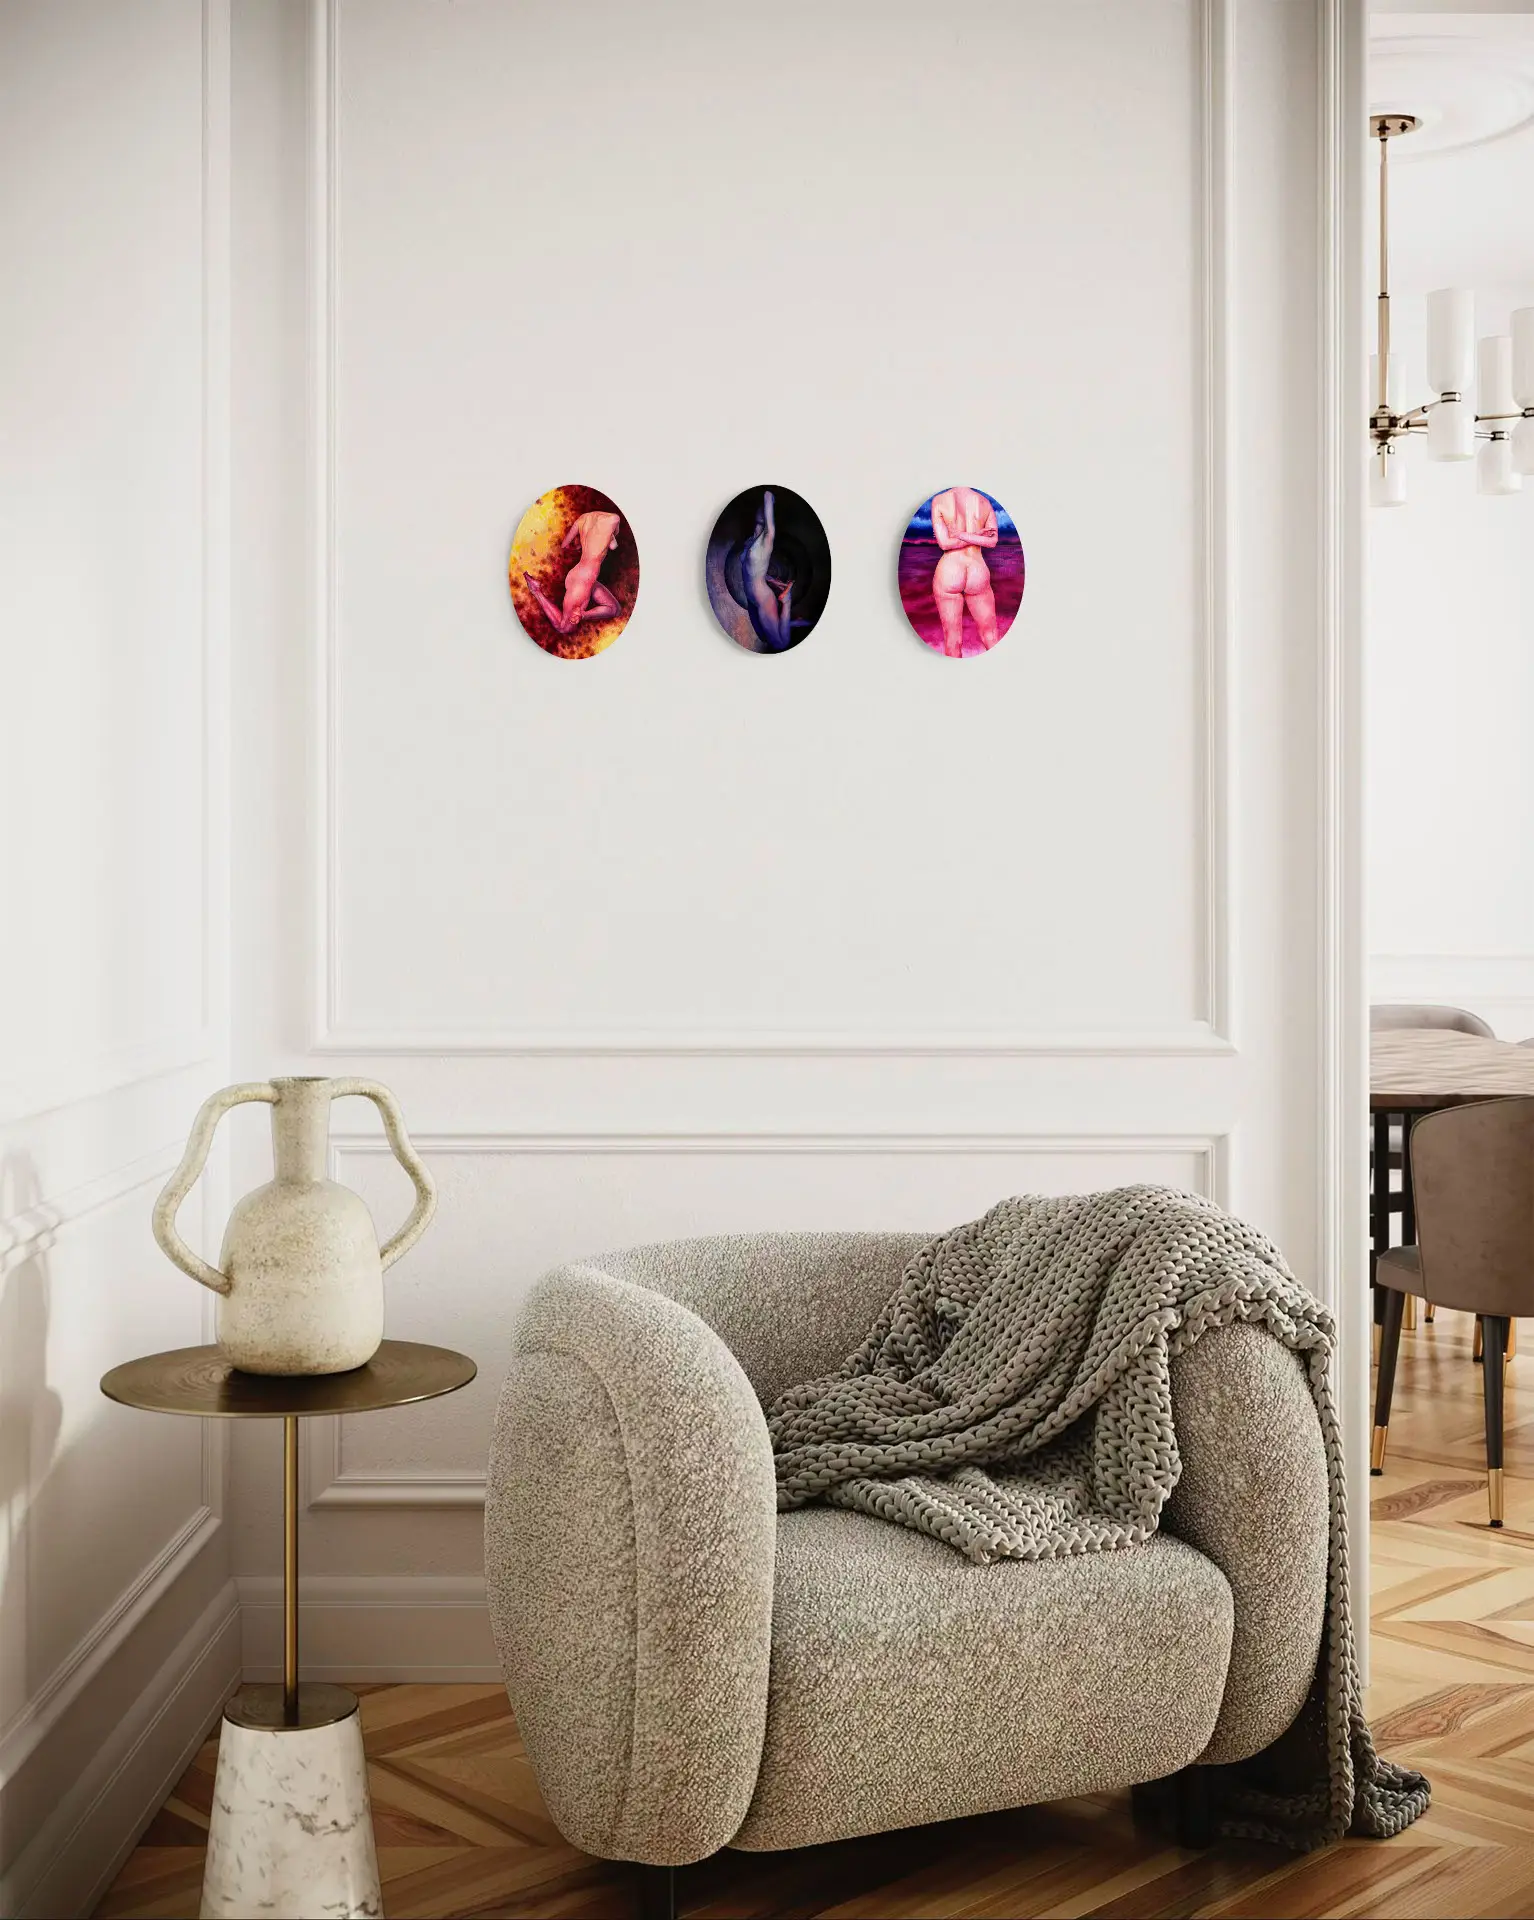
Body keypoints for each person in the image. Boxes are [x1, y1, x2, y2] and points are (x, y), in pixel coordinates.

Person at [525, 509, 622, 636]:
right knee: (564, 628)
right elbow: (613, 546)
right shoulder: (613, 519)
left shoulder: (582, 518)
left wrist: (582, 546)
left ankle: (583, 615)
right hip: (583, 580)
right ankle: (536, 591)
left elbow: (565, 545)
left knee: (615, 609)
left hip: (580, 574)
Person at [929, 487, 1000, 657]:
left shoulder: (940, 500)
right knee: (990, 634)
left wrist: (960, 534)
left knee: (952, 639)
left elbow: (945, 543)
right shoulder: (984, 502)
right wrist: (975, 535)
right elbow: (991, 541)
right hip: (978, 571)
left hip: (949, 572)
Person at [737, 489, 797, 651]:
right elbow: (754, 569)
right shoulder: (752, 539)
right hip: (753, 596)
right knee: (769, 638)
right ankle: (787, 602)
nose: (761, 511)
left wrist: (768, 498)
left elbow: (767, 496)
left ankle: (787, 601)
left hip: (762, 598)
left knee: (780, 643)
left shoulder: (766, 541)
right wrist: (770, 579)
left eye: (764, 510)